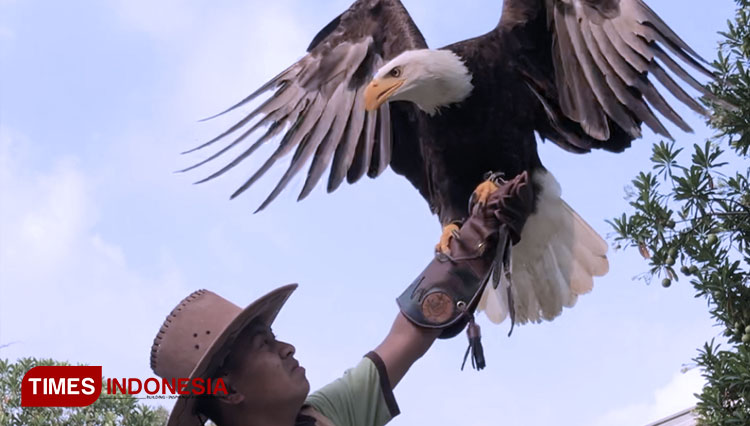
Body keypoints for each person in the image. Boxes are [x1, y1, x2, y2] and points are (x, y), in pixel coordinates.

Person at [149, 173, 532, 426]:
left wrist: (476, 237)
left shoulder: (325, 414)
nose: (287, 347)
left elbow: (408, 335)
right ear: (229, 390)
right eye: (265, 344)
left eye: (275, 336)